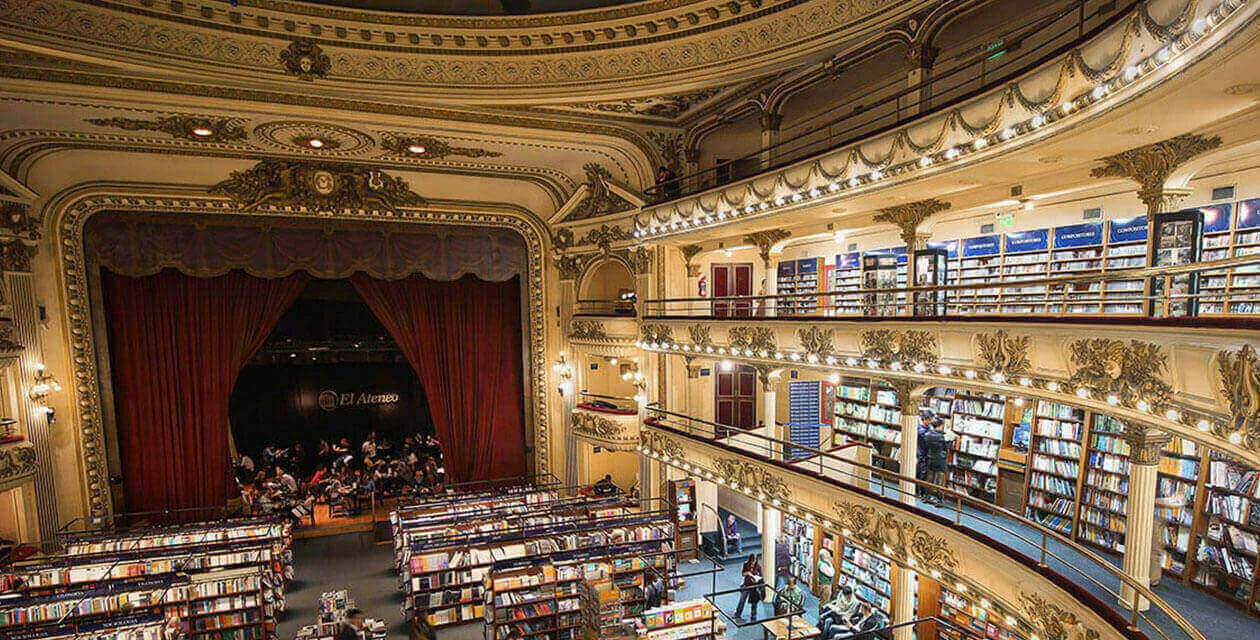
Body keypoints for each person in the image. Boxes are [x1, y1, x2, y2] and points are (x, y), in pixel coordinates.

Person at [920, 420, 949, 505]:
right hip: (940, 459)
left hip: (930, 457)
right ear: (940, 426)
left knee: (929, 478)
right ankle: (939, 499)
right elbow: (946, 447)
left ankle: (926, 496)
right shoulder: (942, 436)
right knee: (940, 479)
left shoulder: (927, 434)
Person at [733, 553, 763, 620]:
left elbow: (761, 576)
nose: (753, 562)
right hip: (746, 585)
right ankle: (738, 613)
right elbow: (743, 574)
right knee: (742, 600)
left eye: (755, 560)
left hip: (754, 586)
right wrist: (748, 573)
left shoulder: (758, 566)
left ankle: (753, 615)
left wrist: (756, 579)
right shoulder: (746, 564)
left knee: (754, 602)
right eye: (752, 560)